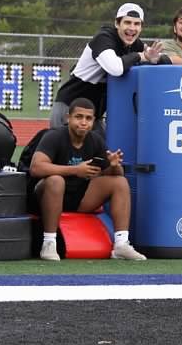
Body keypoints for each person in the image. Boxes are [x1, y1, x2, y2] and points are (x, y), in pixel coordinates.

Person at [30, 98, 146, 262]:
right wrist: (75, 170)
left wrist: (113, 165)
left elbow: (115, 173)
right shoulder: (54, 136)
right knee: (56, 181)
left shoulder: (95, 140)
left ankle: (121, 244)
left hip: (80, 197)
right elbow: (36, 168)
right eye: (79, 117)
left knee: (120, 182)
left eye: (88, 118)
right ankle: (49, 243)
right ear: (68, 118)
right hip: (48, 195)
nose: (83, 122)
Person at [51, 3, 171, 128]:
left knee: (103, 146)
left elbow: (158, 57)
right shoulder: (103, 38)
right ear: (117, 24)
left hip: (94, 114)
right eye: (127, 22)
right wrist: (142, 56)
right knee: (67, 147)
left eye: (137, 24)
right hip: (71, 108)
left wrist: (159, 59)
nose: (132, 28)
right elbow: (116, 68)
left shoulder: (134, 44)